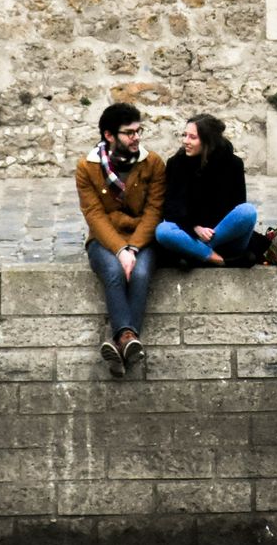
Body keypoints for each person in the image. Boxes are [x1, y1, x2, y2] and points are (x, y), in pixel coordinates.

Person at [74, 103, 163, 378]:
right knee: (112, 272)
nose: (136, 137)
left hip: (143, 238)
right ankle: (128, 338)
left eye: (139, 131)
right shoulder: (87, 168)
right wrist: (120, 249)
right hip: (104, 239)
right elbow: (95, 215)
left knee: (142, 271)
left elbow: (154, 211)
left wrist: (133, 246)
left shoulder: (153, 163)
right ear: (109, 136)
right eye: (129, 133)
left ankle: (119, 341)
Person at [156, 114, 257, 267]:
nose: (185, 141)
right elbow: (171, 209)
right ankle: (215, 258)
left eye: (192, 137)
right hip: (190, 234)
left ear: (208, 141)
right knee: (163, 231)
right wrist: (195, 227)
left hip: (224, 238)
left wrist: (210, 232)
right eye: (185, 135)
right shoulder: (176, 163)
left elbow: (236, 206)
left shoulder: (233, 164)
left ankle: (195, 254)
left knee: (248, 211)